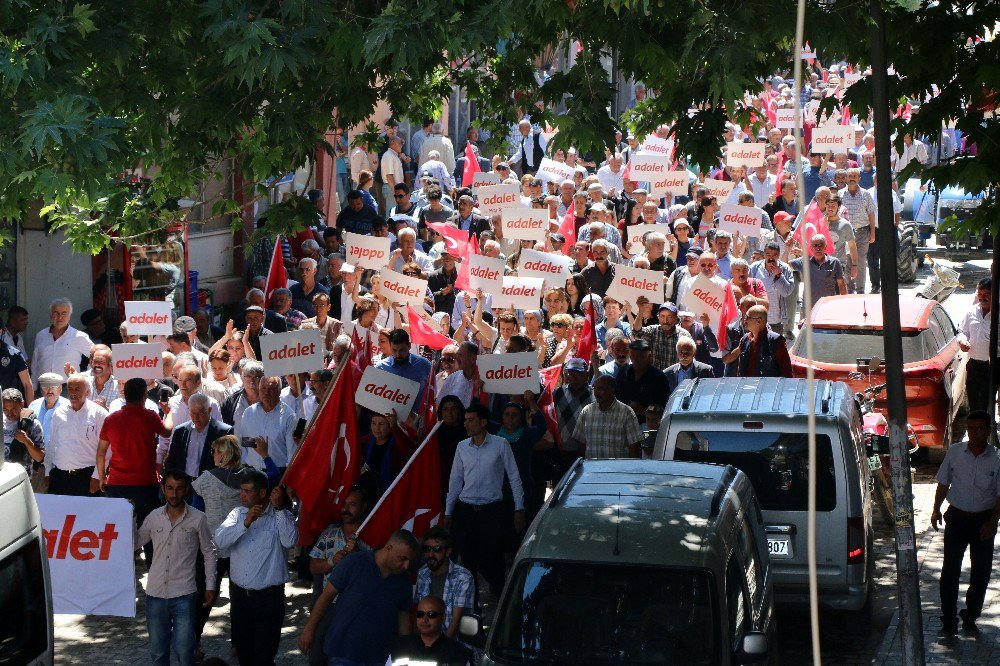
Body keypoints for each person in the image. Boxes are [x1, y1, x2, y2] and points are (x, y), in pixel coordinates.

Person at [298, 530, 420, 665]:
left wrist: (405, 651)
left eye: (409, 560)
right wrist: (309, 630)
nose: (406, 565)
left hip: (379, 656)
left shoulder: (403, 580)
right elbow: (326, 596)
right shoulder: (354, 562)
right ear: (389, 548)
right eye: (403, 558)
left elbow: (403, 616)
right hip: (344, 652)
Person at [444, 402, 526, 602]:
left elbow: (514, 477)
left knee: (492, 557)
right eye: (465, 420)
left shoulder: (500, 444)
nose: (466, 424)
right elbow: (455, 481)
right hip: (466, 510)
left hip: (492, 510)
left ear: (483, 422)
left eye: (470, 420)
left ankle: (501, 596)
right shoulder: (462, 447)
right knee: (468, 559)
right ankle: (471, 605)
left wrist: (519, 508)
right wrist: (448, 512)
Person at [214, 470, 298, 666]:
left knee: (264, 656)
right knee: (244, 653)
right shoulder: (237, 514)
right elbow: (220, 540)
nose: (242, 495)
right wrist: (245, 523)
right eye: (241, 490)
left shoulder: (280, 516)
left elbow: (290, 541)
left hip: (269, 598)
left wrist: (278, 510)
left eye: (247, 491)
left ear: (262, 493)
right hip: (240, 597)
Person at [137, 469, 217, 666]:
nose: (174, 494)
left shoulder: (198, 518)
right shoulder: (154, 517)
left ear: (186, 490)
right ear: (163, 489)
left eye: (179, 489)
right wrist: (127, 516)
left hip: (184, 593)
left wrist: (210, 586)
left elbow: (209, 552)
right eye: (170, 488)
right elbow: (134, 542)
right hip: (155, 594)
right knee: (158, 653)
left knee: (185, 651)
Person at [931, 411, 1000, 636]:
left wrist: (993, 522)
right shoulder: (955, 453)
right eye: (971, 428)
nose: (974, 433)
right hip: (957, 518)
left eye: (980, 428)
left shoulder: (996, 458)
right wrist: (935, 509)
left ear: (988, 431)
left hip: (983, 521)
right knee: (950, 570)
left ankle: (970, 615)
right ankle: (948, 619)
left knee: (980, 573)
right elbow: (943, 482)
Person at [98, 378, 173, 561]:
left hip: (117, 484)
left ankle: (121, 571)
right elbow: (167, 431)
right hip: (145, 484)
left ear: (124, 394)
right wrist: (168, 413)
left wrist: (102, 477)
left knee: (120, 530)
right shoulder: (149, 416)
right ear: (144, 396)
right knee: (148, 529)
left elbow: (101, 452)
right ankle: (152, 570)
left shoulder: (111, 418)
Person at [45, 373, 108, 496]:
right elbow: (52, 443)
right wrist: (47, 472)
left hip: (87, 478)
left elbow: (107, 449)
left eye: (77, 389)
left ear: (88, 392)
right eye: (70, 389)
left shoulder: (99, 414)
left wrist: (97, 475)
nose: (73, 393)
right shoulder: (58, 412)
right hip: (60, 477)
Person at [414, 526, 475, 638]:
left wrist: (441, 650)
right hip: (428, 644)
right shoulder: (422, 574)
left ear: (448, 552)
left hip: (456, 646)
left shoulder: (463, 577)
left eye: (436, 549)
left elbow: (456, 621)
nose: (431, 554)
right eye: (427, 549)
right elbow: (419, 614)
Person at [572, 375, 645, 459]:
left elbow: (634, 447)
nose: (596, 393)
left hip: (617, 470)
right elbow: (581, 444)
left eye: (600, 389)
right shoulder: (587, 411)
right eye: (594, 388)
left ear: (612, 390)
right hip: (592, 469)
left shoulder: (626, 413)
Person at [389, 595, 473, 666]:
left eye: (431, 614)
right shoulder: (400, 646)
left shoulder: (458, 653)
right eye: (420, 614)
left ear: (443, 618)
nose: (424, 619)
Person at [236, 375, 297, 472]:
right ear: (259, 389)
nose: (266, 392)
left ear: (279, 391)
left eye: (271, 388)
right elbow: (245, 443)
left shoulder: (289, 416)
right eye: (263, 388)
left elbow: (292, 452)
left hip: (277, 472)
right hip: (252, 471)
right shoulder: (249, 412)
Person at [165, 393, 233, 479]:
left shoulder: (224, 432)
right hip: (184, 483)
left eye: (200, 413)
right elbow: (173, 460)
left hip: (209, 483)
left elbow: (227, 463)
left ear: (209, 410)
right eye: (192, 413)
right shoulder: (180, 431)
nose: (196, 418)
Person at [958, 278, 998, 414]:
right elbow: (963, 332)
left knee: (987, 402)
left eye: (986, 295)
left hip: (993, 366)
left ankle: (987, 431)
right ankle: (977, 430)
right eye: (980, 295)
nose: (982, 298)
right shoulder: (971, 312)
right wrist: (963, 341)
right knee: (974, 402)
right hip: (974, 364)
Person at [31, 297, 94, 382]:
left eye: (64, 314)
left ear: (69, 317)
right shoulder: (41, 335)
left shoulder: (79, 336)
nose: (60, 317)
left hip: (69, 387)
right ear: (51, 315)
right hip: (44, 387)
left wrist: (85, 377)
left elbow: (97, 357)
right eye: (56, 313)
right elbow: (35, 364)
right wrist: (34, 388)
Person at [614, 339, 669, 422]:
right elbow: (616, 396)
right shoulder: (624, 372)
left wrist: (643, 410)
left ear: (649, 357)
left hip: (647, 425)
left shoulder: (659, 378)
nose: (636, 359)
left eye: (640, 356)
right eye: (633, 355)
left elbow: (664, 408)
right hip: (623, 421)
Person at [789, 234, 847, 304]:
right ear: (811, 248)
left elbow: (841, 284)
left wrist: (844, 302)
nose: (818, 248)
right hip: (809, 307)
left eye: (820, 245)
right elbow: (784, 265)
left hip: (827, 305)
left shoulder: (834, 262)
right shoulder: (804, 261)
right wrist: (787, 250)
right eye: (815, 245)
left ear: (825, 247)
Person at [738, 305, 793, 378]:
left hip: (767, 388)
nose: (744, 320)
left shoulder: (776, 341)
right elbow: (740, 371)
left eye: (747, 317)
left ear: (759, 321)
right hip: (747, 387)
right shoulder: (744, 340)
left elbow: (787, 372)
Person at [2, 388, 44, 472]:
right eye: (5, 409)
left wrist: (26, 441)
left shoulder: (33, 424)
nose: (9, 414)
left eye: (13, 409)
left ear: (21, 404)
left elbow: (40, 458)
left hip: (22, 477)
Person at [28, 372, 69, 447]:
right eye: (45, 387)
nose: (49, 391)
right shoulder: (33, 406)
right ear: (40, 389)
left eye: (53, 387)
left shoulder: (69, 408)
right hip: (36, 453)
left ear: (60, 388)